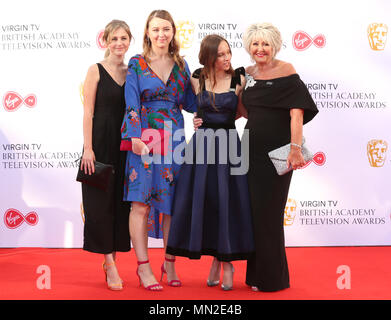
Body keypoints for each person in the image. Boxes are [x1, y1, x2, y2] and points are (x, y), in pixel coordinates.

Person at [166, 34, 254, 291]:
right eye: (220, 55)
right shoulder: (196, 77)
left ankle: (226, 262)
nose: (226, 58)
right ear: (209, 57)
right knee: (205, 201)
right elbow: (190, 106)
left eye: (228, 53)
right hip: (201, 146)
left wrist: (220, 118)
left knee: (226, 202)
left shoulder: (239, 78)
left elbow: (242, 111)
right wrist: (197, 117)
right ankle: (215, 260)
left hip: (229, 145)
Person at [120, 10, 197, 291]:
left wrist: (206, 89)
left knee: (172, 206)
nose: (161, 34)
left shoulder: (181, 64)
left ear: (174, 32)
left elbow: (190, 103)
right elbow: (131, 102)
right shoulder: (137, 64)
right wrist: (135, 137)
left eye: (166, 29)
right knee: (140, 203)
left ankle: (170, 261)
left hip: (175, 139)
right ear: (148, 33)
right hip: (144, 140)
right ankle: (143, 268)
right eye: (156, 29)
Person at [240, 23, 318, 292]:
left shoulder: (288, 72)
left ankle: (272, 279)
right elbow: (240, 110)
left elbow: (296, 114)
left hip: (278, 154)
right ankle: (255, 276)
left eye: (265, 44)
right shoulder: (246, 74)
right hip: (248, 150)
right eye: (255, 44)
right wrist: (206, 115)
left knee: (270, 214)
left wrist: (295, 148)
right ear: (248, 47)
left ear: (274, 45)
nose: (260, 49)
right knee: (252, 214)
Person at [80, 20, 132, 291]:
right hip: (99, 143)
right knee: (99, 205)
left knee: (121, 204)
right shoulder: (95, 70)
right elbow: (88, 111)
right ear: (106, 41)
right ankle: (109, 263)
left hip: (124, 145)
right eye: (114, 38)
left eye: (123, 38)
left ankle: (115, 255)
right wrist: (88, 149)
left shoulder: (133, 70)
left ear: (130, 40)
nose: (119, 43)